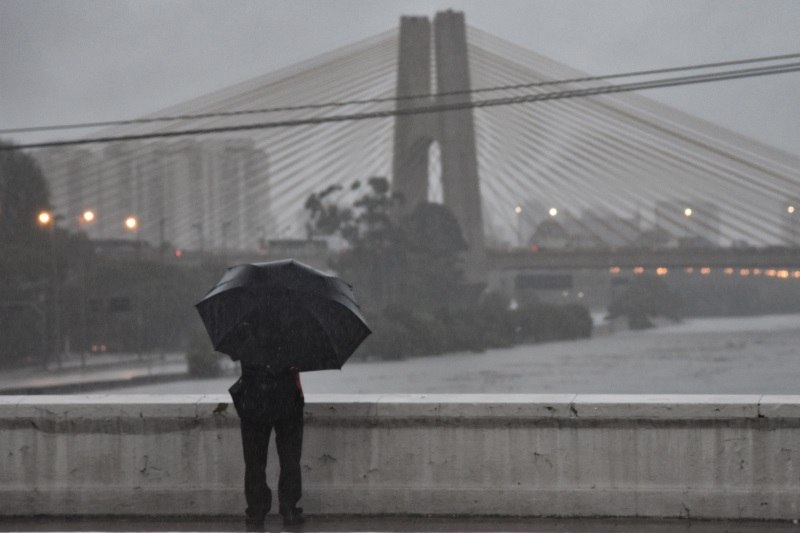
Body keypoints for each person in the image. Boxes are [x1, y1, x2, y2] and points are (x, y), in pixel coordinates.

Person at [230, 359, 305, 530]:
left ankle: (256, 511)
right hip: (287, 398)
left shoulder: (245, 334)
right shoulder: (294, 333)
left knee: (254, 461)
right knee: (290, 459)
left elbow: (234, 356)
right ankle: (289, 508)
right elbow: (300, 361)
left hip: (254, 398)